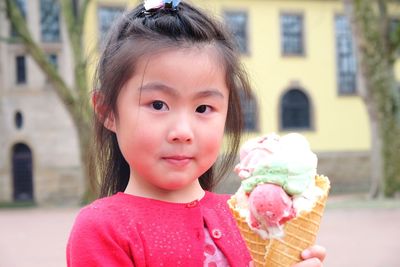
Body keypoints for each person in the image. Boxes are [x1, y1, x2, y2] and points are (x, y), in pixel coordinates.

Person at [67, 1, 326, 266]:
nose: (182, 132)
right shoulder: (103, 230)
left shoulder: (248, 216)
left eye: (203, 108)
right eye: (158, 105)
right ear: (108, 111)